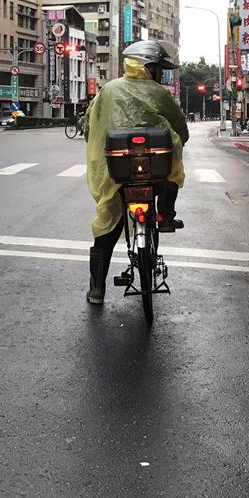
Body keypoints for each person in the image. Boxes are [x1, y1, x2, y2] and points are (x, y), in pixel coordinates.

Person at [82, 40, 189, 305]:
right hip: (156, 171)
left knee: (107, 226)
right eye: (158, 69)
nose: (160, 75)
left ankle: (97, 290)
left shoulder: (108, 89)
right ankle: (165, 216)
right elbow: (180, 127)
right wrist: (180, 139)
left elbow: (88, 124)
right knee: (168, 181)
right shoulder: (159, 93)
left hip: (117, 174)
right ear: (148, 68)